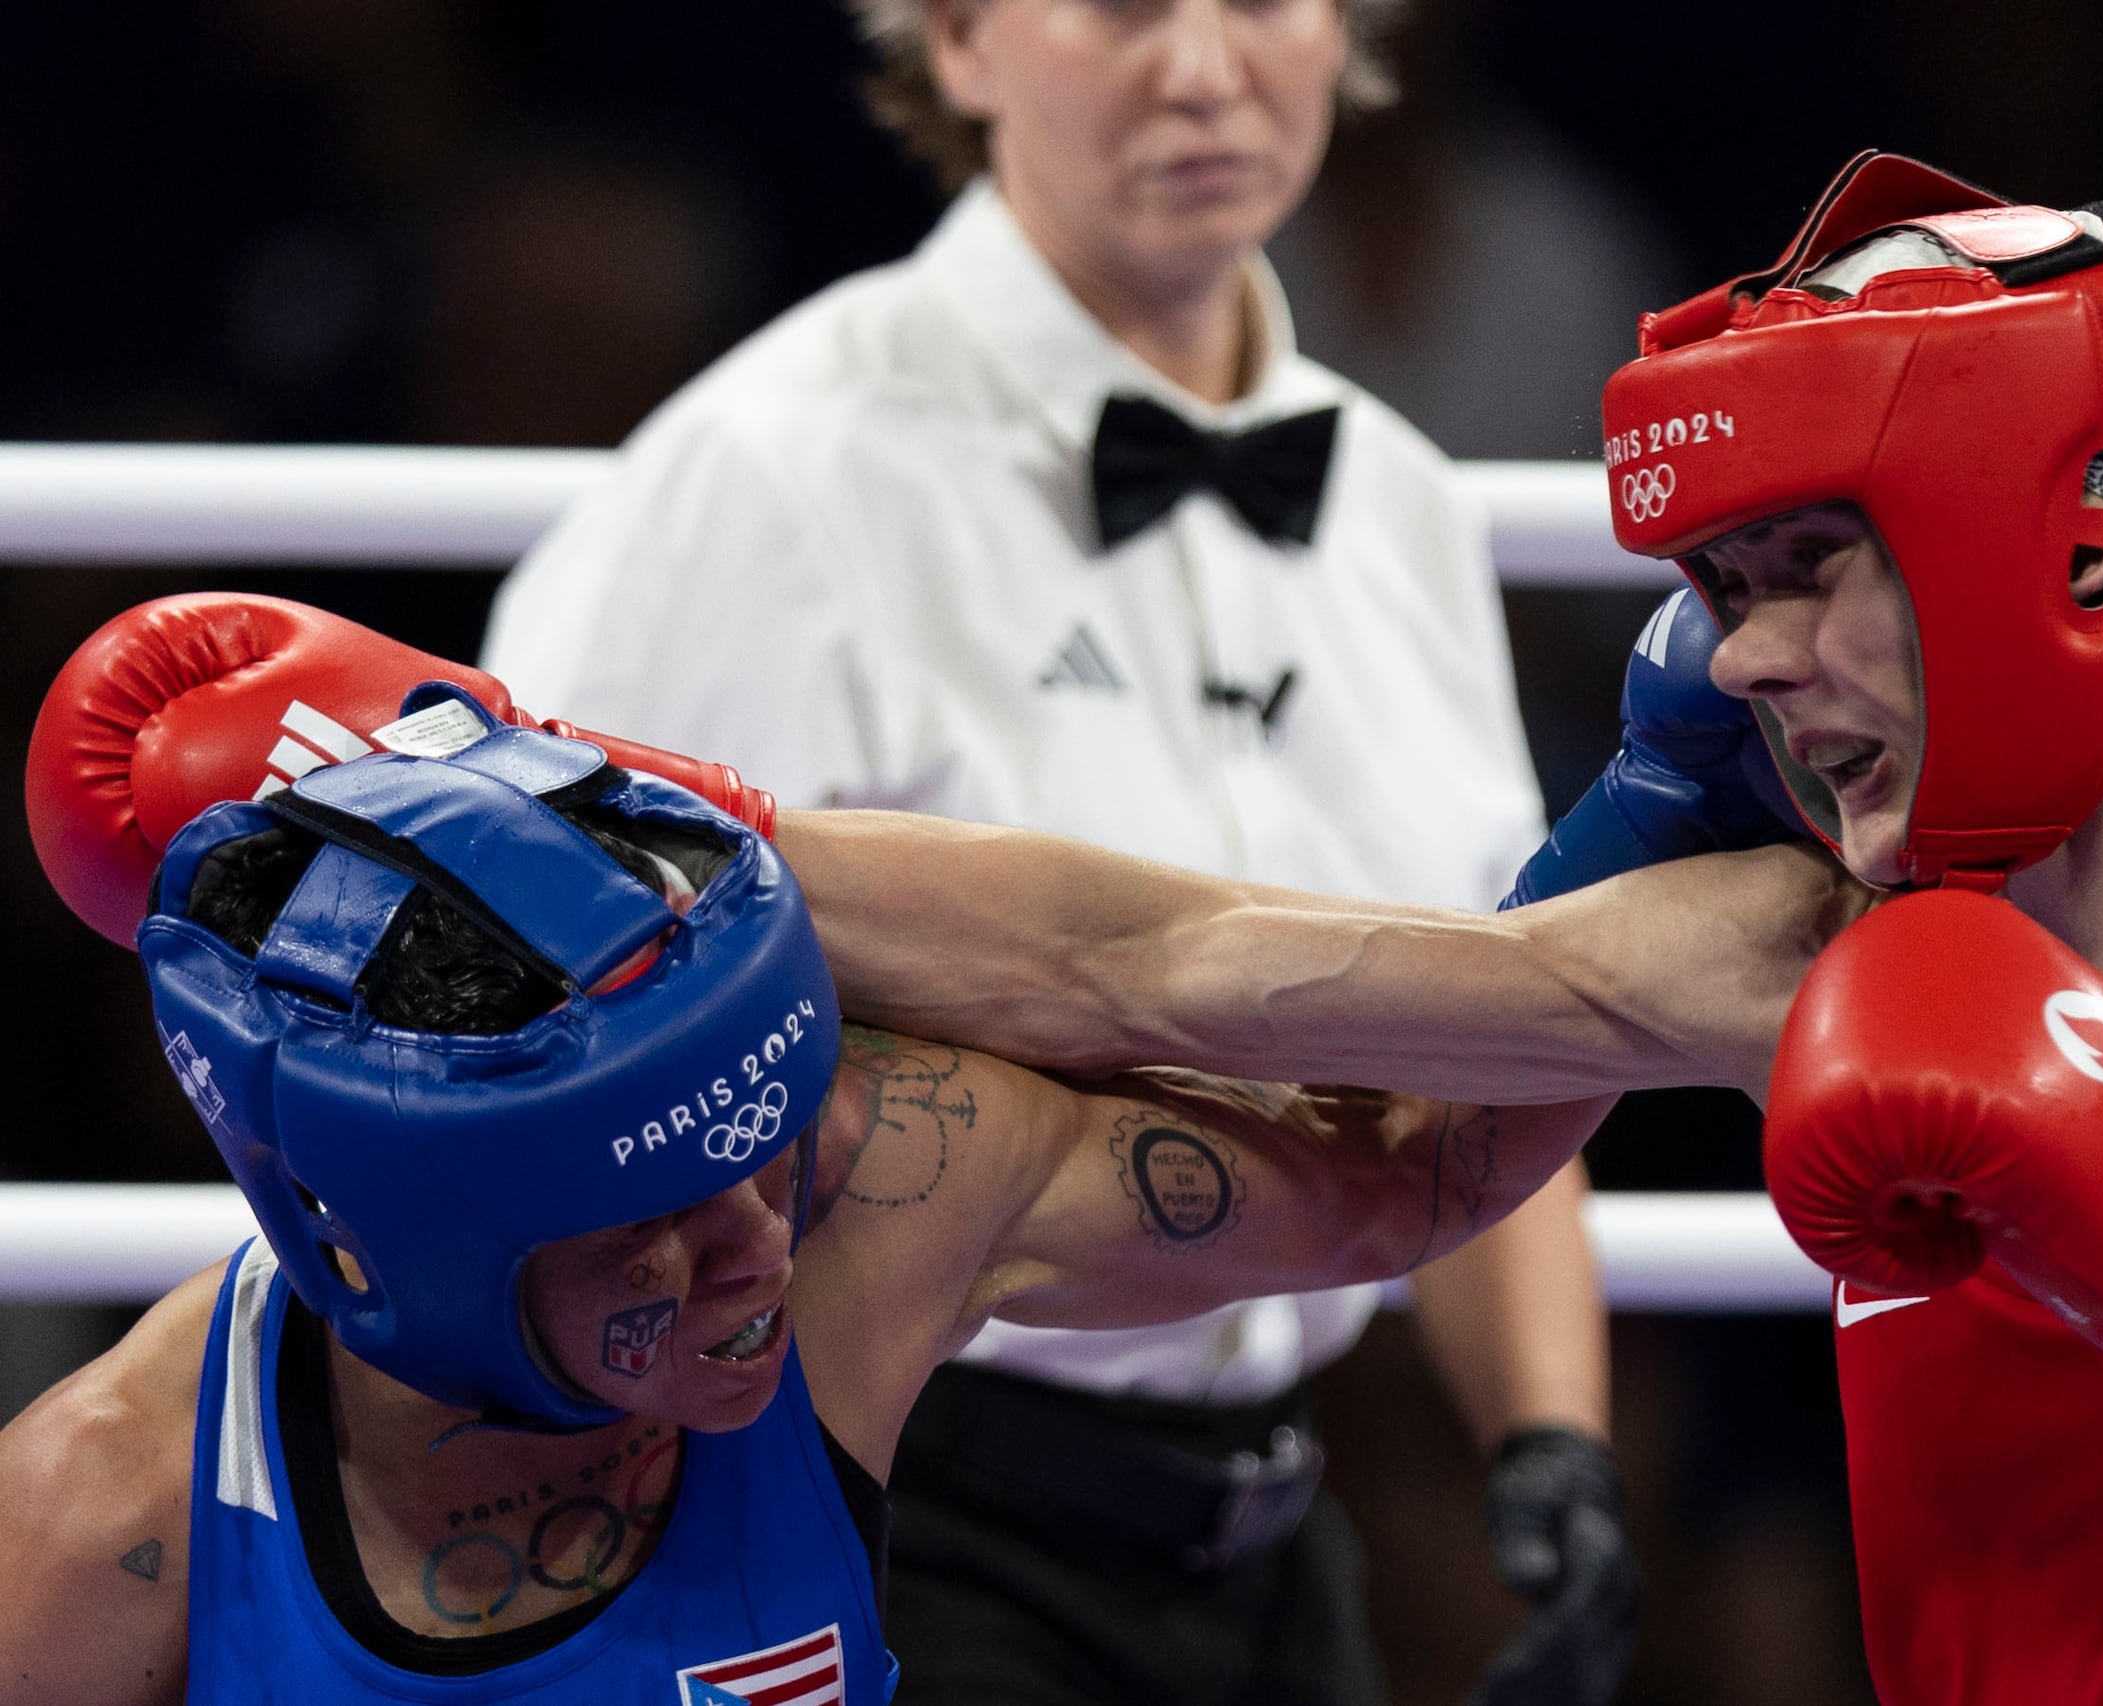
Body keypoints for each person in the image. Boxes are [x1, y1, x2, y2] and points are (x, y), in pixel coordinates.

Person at [619, 154, 2103, 1697]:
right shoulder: (1808, 954)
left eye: (1806, 567)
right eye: (1719, 586)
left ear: (2075, 535)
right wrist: (568, 799)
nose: (1748, 660)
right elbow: (1161, 960)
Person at [473, 0, 1630, 1699]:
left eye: (1260, 3)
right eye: (1127, 6)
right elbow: (541, 1024)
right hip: (880, 1502)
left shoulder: (1392, 504)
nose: (1205, 67)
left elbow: (1491, 1031)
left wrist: (1552, 1445)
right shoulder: (764, 475)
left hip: (1272, 1535)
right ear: (955, 41)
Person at [0, 688, 1610, 1705]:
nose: (759, 1248)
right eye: (654, 1220)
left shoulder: (877, 1211)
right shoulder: (98, 1525)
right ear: (397, 1259)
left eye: (759, 1155)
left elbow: (1401, 1168)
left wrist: (1670, 792)